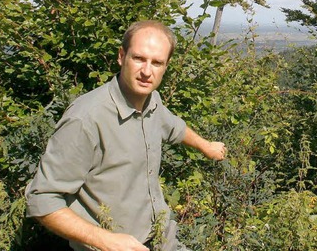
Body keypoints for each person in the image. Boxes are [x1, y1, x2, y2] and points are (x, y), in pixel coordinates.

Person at [25, 20, 226, 251]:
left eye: (157, 62)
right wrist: (105, 240)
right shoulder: (86, 119)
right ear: (122, 56)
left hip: (163, 240)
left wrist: (206, 146)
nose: (147, 71)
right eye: (139, 58)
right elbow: (41, 199)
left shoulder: (153, 102)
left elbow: (175, 128)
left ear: (166, 66)